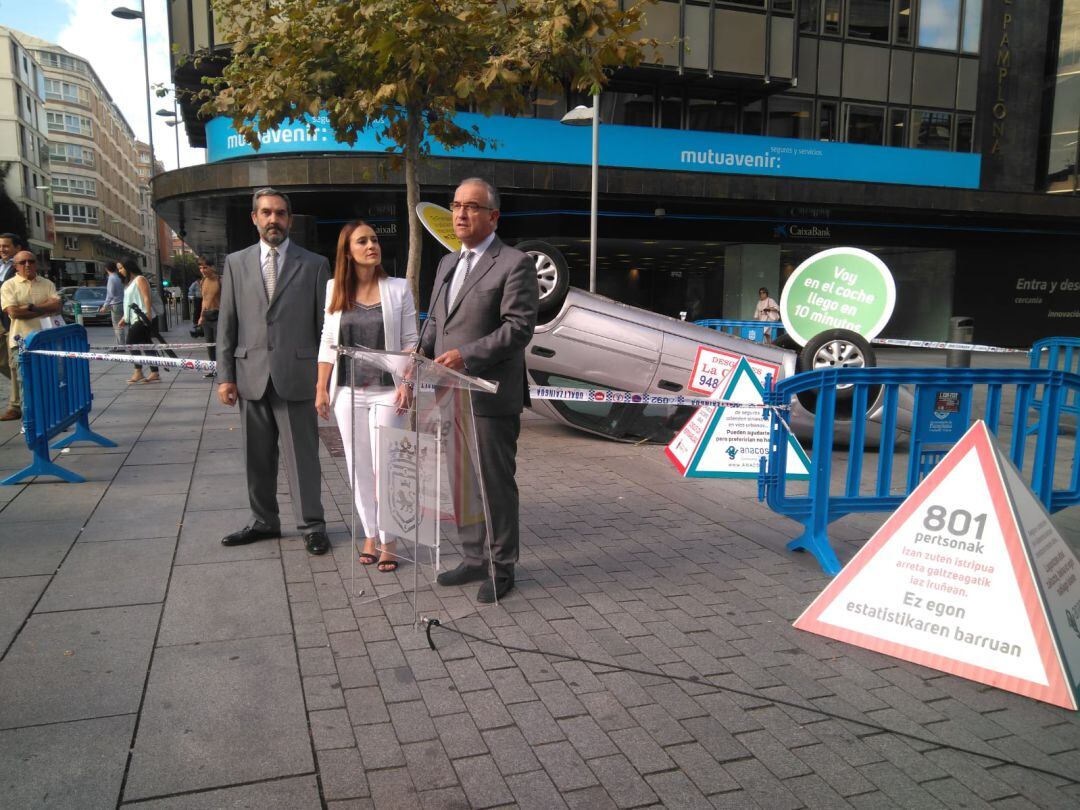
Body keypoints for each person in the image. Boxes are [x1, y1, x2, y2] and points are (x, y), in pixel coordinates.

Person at [419, 178, 538, 603]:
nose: (460, 214)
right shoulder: (447, 263)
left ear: (493, 216)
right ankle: (473, 558)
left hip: (489, 395)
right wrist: (417, 350)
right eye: (455, 206)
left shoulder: (514, 263)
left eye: (471, 207)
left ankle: (502, 567)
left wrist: (466, 355)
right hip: (448, 393)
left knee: (493, 484)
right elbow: (436, 322)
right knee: (462, 483)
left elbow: (518, 328)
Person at [217, 187, 331, 556]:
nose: (273, 220)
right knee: (256, 457)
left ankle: (312, 525)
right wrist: (225, 376)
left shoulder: (315, 264)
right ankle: (264, 521)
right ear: (254, 218)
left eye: (280, 213)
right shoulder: (235, 263)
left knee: (303, 458)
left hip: (297, 377)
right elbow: (227, 322)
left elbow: (324, 328)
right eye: (265, 213)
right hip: (250, 375)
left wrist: (323, 381)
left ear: (289, 220)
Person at [316, 222, 417, 572]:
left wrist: (407, 382)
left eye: (374, 239)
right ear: (348, 251)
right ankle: (371, 533)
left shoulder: (398, 288)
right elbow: (328, 342)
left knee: (387, 467)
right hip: (347, 392)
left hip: (389, 391)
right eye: (363, 241)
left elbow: (410, 340)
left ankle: (390, 540)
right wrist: (321, 388)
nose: (372, 245)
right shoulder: (334, 290)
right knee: (358, 466)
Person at [0, 251, 61, 420]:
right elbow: (13, 312)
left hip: (45, 340)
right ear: (15, 266)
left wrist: (29, 308)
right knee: (25, 382)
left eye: (31, 261)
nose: (27, 265)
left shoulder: (47, 283)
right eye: (23, 262)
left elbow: (56, 306)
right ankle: (30, 420)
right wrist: (42, 308)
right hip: (21, 341)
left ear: (36, 264)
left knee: (48, 379)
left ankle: (50, 416)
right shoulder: (8, 285)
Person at [118, 257, 162, 383]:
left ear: (128, 267)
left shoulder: (140, 279)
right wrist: (124, 318)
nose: (120, 271)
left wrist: (147, 314)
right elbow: (129, 302)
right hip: (134, 317)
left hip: (142, 317)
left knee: (130, 342)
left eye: (121, 268)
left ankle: (138, 371)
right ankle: (154, 372)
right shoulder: (130, 283)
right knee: (147, 345)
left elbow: (146, 297)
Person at [0, 233, 22, 386]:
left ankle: (19, 399)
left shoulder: (22, 266)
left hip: (12, 320)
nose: (2, 249)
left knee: (13, 361)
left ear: (17, 248)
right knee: (3, 362)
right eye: (0, 246)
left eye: (6, 246)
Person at [197, 258, 220, 378]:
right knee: (209, 344)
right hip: (207, 316)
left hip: (218, 315)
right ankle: (213, 369)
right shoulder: (203, 281)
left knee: (219, 344)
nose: (202, 270)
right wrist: (201, 316)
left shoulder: (220, 280)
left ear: (212, 267)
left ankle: (222, 369)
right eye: (200, 268)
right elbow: (204, 300)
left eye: (205, 267)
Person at [100, 261, 126, 346]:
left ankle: (121, 345)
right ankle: (124, 344)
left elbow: (110, 294)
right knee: (123, 324)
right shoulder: (120, 277)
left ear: (106, 269)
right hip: (123, 302)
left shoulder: (111, 278)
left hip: (116, 304)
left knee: (117, 326)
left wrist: (105, 306)